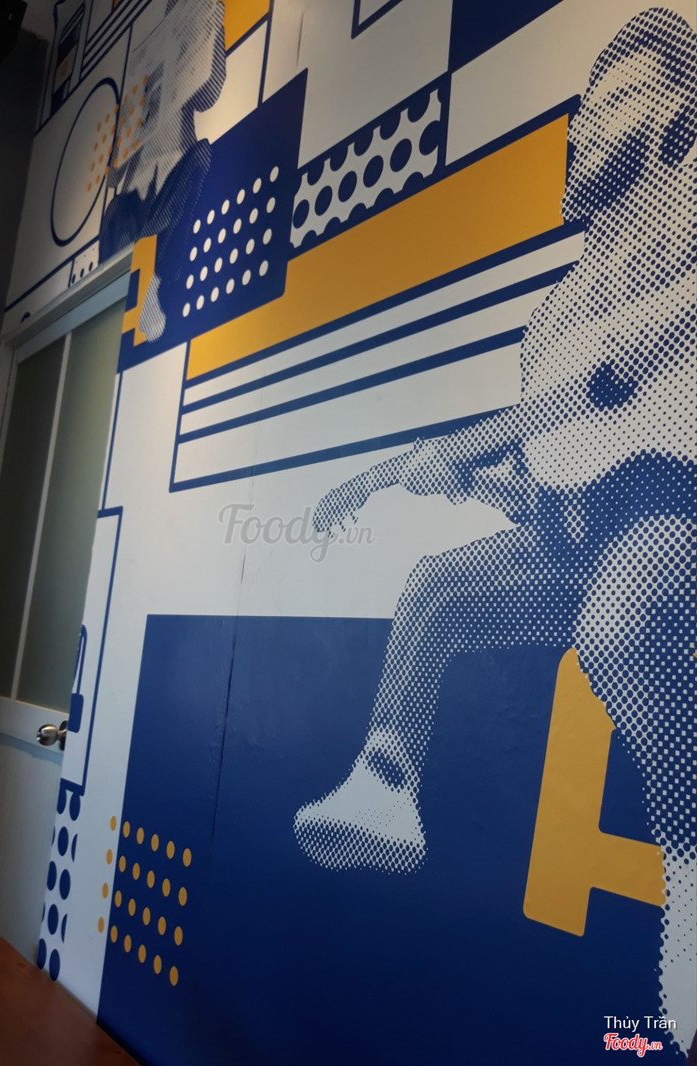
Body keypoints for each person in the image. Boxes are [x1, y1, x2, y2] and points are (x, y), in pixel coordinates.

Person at [294, 7, 695, 1049]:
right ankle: (387, 784)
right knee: (436, 584)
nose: (583, 123)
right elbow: (558, 468)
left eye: (613, 98)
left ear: (672, 113)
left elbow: (629, 376)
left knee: (618, 627)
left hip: (673, 506)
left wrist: (570, 396)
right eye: (583, 105)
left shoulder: (688, 213)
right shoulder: (555, 314)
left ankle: (692, 863)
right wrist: (469, 477)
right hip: (582, 535)